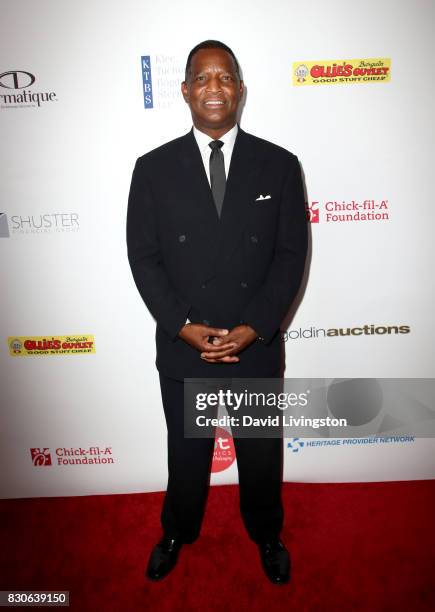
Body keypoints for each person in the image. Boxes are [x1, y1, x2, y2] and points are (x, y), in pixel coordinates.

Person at [126, 40, 308, 584]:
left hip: (255, 345)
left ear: (240, 89)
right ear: (184, 91)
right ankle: (177, 529)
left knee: (258, 455)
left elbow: (291, 255)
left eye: (224, 76)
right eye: (201, 78)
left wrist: (255, 327)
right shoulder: (152, 169)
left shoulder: (279, 165)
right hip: (186, 348)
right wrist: (181, 325)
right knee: (185, 456)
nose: (213, 87)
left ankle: (267, 533)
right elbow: (144, 256)